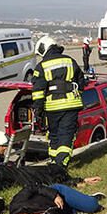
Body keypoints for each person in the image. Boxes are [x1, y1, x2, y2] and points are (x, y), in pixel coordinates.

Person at [32, 36, 86, 168]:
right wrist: (76, 95)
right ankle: (59, 163)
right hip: (71, 105)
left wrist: (38, 111)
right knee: (66, 135)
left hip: (52, 108)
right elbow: (81, 82)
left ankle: (57, 163)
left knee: (54, 135)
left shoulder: (41, 67)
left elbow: (38, 92)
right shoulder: (70, 61)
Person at [7, 182, 103, 214]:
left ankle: (89, 198)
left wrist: (54, 195)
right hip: (64, 210)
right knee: (89, 209)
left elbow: (32, 187)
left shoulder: (17, 204)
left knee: (92, 205)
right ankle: (79, 201)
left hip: (58, 194)